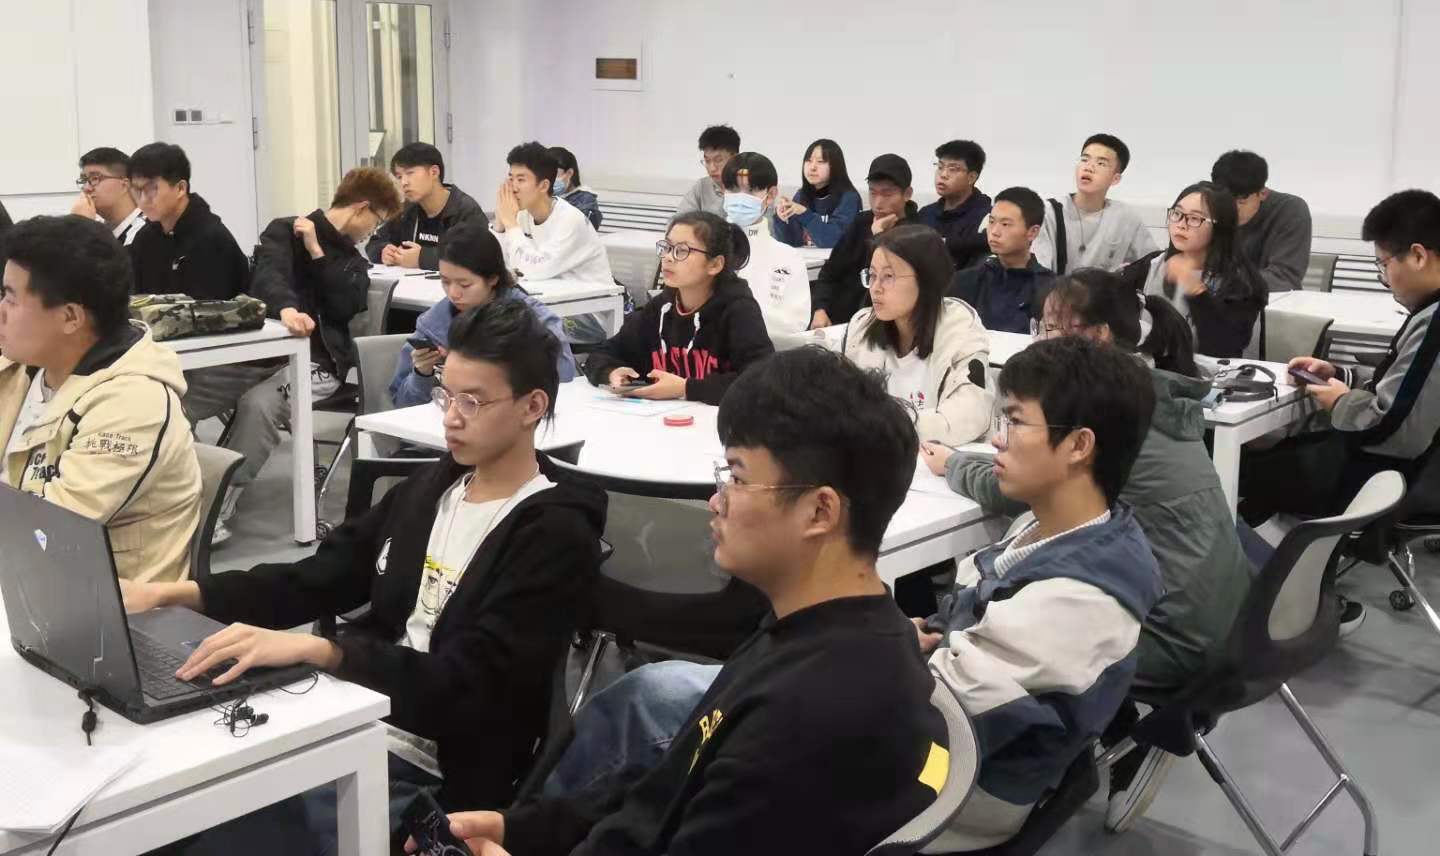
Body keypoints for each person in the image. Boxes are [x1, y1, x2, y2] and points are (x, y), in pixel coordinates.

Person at [423, 347, 950, 856]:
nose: (716, 500)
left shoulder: (807, 719)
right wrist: (522, 829)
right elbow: (670, 785)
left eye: (737, 478)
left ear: (819, 512)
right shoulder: (809, 630)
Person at [119, 299, 607, 843]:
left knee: (217, 820)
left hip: (438, 767)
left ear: (532, 406)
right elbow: (319, 576)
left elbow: (472, 689)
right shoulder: (434, 489)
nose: (450, 416)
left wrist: (328, 653)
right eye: (446, 394)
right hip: (356, 714)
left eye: (473, 401)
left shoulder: (554, 533)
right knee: (177, 785)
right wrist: (176, 594)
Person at [922, 269, 1251, 834]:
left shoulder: (1079, 577)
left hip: (1174, 634)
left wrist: (954, 463)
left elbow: (939, 717)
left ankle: (1121, 736)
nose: (1042, 338)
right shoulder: (1135, 408)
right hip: (1209, 612)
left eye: (1054, 329)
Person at [917, 336, 1163, 851]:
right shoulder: (1049, 527)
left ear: (1079, 445)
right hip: (958, 739)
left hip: (962, 787)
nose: (997, 440)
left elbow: (943, 719)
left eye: (1014, 422)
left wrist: (877, 647)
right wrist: (921, 638)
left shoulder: (1082, 596)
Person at [1239, 190, 1440, 625]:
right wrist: (1341, 376)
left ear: (1418, 256)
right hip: (1406, 466)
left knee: (1245, 474)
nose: (1384, 277)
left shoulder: (1435, 323)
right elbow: (1401, 385)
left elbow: (1391, 427)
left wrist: (1340, 402)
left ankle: (1297, 600)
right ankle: (1305, 584)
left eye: (1383, 265)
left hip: (1389, 472)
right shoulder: (1429, 313)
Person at [193, 168, 401, 544]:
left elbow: (344, 305)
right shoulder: (284, 231)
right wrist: (288, 309)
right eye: (377, 221)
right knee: (178, 395)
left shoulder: (353, 262)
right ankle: (173, 494)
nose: (374, 231)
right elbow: (267, 278)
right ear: (361, 207)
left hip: (321, 364)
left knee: (260, 405)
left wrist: (317, 253)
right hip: (260, 356)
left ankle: (215, 506)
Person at [0, 215, 201, 582]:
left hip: (90, 598)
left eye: (10, 299)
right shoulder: (24, 365)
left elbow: (46, 535)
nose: (1, 311)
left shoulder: (134, 403)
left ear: (70, 317)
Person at [584, 212, 773, 405]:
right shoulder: (660, 307)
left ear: (715, 264)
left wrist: (686, 388)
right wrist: (611, 372)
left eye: (682, 251)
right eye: (667, 247)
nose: (668, 257)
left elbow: (763, 381)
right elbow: (601, 353)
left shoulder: (739, 311)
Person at [392, 224, 578, 408]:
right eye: (445, 282)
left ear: (493, 278)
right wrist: (421, 374)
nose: (453, 293)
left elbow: (563, 384)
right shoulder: (433, 325)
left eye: (464, 284)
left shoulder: (536, 322)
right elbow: (400, 404)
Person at [842, 225, 992, 445]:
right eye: (872, 276)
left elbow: (970, 415)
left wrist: (884, 428)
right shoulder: (862, 327)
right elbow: (840, 404)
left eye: (888, 277)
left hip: (936, 457)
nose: (875, 288)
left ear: (926, 279)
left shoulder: (960, 328)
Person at [1120, 181, 1268, 359]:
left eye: (1195, 218)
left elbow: (1224, 348)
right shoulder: (1152, 265)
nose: (1181, 224)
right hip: (1150, 369)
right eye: (1177, 213)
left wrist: (1196, 291)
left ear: (1221, 227)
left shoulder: (1242, 283)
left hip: (1214, 373)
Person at [127, 142, 251, 300]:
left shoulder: (212, 238)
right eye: (137, 190)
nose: (143, 200)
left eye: (151, 189)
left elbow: (211, 308)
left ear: (180, 188)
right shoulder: (145, 238)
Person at [811, 153, 919, 328]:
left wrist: (878, 237)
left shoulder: (917, 233)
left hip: (881, 325)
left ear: (907, 194)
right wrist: (820, 309)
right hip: (837, 323)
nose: (878, 203)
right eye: (873, 193)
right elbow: (830, 272)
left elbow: (879, 284)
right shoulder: (861, 222)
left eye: (887, 194)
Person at [1033, 134, 1154, 275]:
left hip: (1104, 289)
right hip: (1055, 288)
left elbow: (1153, 264)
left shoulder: (1125, 217)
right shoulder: (1049, 212)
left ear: (1115, 179)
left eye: (1101, 163)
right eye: (1084, 159)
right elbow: (1039, 272)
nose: (1088, 167)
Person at [494, 142, 613, 284]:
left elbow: (532, 271)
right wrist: (500, 224)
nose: (513, 187)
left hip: (593, 294)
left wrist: (510, 224)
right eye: (511, 179)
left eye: (520, 180)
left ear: (544, 186)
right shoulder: (522, 215)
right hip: (549, 291)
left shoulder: (570, 220)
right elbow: (496, 265)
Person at [720, 152, 810, 336]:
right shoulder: (704, 246)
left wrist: (740, 311)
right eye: (733, 190)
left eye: (750, 191)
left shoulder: (788, 257)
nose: (740, 198)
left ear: (771, 195)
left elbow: (795, 323)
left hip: (764, 349)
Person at [946, 185, 1055, 333]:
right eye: (991, 222)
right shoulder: (965, 281)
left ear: (1032, 232)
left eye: (1005, 224)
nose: (994, 232)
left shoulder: (1049, 288)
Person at [366, 143, 486, 270]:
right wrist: (383, 251)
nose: (404, 182)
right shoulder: (406, 211)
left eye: (410, 173)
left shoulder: (465, 210)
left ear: (434, 172)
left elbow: (475, 257)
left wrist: (422, 258)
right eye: (399, 177)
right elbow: (375, 242)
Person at [1211, 149, 1313, 293]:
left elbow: (1284, 278)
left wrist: (1218, 283)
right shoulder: (1205, 208)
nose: (1231, 210)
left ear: (1263, 193)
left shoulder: (1291, 210)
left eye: (1241, 202)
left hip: (1273, 300)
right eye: (1224, 201)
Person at [771, 138, 861, 249]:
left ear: (836, 166)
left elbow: (833, 241)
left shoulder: (849, 198)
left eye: (820, 161)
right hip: (806, 259)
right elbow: (792, 242)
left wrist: (805, 214)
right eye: (808, 160)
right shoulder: (801, 195)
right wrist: (782, 218)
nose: (812, 167)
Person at [917, 139, 992, 271]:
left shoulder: (987, 217)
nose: (943, 175)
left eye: (953, 169)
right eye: (940, 167)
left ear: (971, 177)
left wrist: (945, 243)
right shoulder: (925, 213)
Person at [72, 146, 146, 245]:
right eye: (84, 180)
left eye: (95, 178)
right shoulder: (100, 230)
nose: (86, 188)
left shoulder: (146, 231)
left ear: (125, 184)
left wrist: (83, 226)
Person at [675, 124, 740, 217]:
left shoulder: (754, 187)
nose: (712, 168)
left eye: (718, 160)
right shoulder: (702, 186)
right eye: (707, 161)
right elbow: (679, 219)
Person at [548, 146, 604, 231]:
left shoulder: (585, 199)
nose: (548, 180)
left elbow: (585, 230)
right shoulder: (546, 195)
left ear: (569, 173)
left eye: (554, 174)